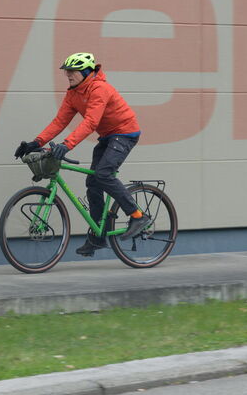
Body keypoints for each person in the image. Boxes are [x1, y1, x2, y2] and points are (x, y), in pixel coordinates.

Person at [14, 52, 151, 256]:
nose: (68, 75)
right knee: (93, 182)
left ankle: (138, 215)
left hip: (125, 133)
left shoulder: (100, 89)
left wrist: (67, 145)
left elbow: (91, 122)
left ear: (86, 71)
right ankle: (98, 237)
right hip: (107, 137)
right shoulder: (73, 93)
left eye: (72, 71)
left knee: (104, 174)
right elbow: (59, 122)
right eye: (66, 71)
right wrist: (36, 142)